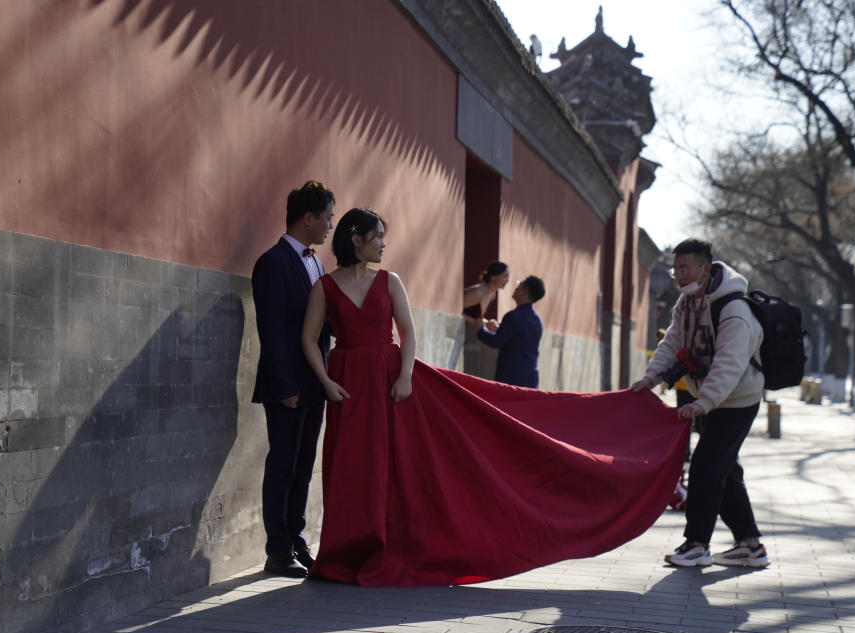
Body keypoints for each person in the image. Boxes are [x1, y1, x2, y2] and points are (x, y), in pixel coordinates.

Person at [300, 207, 690, 586]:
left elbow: (408, 332)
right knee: (351, 467)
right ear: (356, 239)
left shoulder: (389, 281)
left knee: (396, 467)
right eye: (378, 237)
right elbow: (309, 338)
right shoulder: (325, 286)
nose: (384, 244)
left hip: (391, 381)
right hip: (346, 383)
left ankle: (389, 545)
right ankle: (344, 554)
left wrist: (404, 376)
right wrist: (325, 381)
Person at [631, 238, 768, 569]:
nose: (678, 274)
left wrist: (702, 402)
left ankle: (696, 545)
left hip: (737, 400)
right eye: (675, 268)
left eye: (685, 268)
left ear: (705, 269)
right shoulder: (687, 303)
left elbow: (730, 364)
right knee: (725, 470)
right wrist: (651, 378)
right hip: (710, 399)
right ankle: (751, 546)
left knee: (706, 467)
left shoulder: (734, 310)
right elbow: (671, 342)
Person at [251, 180, 335, 578]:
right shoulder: (272, 262)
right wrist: (285, 386)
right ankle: (277, 550)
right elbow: (270, 330)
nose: (330, 226)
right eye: (327, 218)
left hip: (315, 383)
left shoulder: (317, 263)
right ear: (308, 217)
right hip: (287, 387)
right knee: (282, 464)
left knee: (304, 464)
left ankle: (296, 538)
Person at [476, 275, 545, 388]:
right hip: (530, 378)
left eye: (519, 286)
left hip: (511, 377)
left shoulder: (514, 316)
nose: (516, 288)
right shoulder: (537, 320)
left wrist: (479, 330)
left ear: (524, 291)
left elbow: (496, 342)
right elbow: (521, 338)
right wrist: (499, 329)